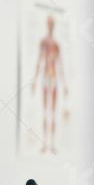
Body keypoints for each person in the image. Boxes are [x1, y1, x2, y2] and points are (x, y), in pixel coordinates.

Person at [32, 15, 67, 154]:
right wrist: (34, 81)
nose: (50, 26)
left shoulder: (56, 45)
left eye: (52, 23)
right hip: (46, 77)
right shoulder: (44, 42)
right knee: (45, 111)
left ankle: (51, 143)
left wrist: (64, 84)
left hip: (54, 78)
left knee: (52, 112)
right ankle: (45, 143)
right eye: (49, 23)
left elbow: (60, 65)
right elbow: (39, 61)